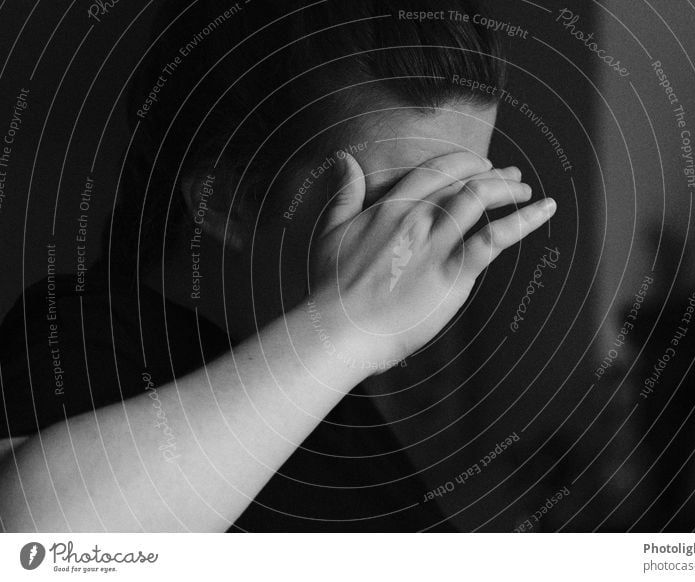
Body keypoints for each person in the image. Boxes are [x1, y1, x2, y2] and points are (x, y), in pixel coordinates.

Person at [0, 0, 556, 532]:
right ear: (226, 199)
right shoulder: (76, 348)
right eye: (395, 203)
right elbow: (40, 547)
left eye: (459, 198)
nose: (434, 247)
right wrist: (347, 327)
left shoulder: (320, 394)